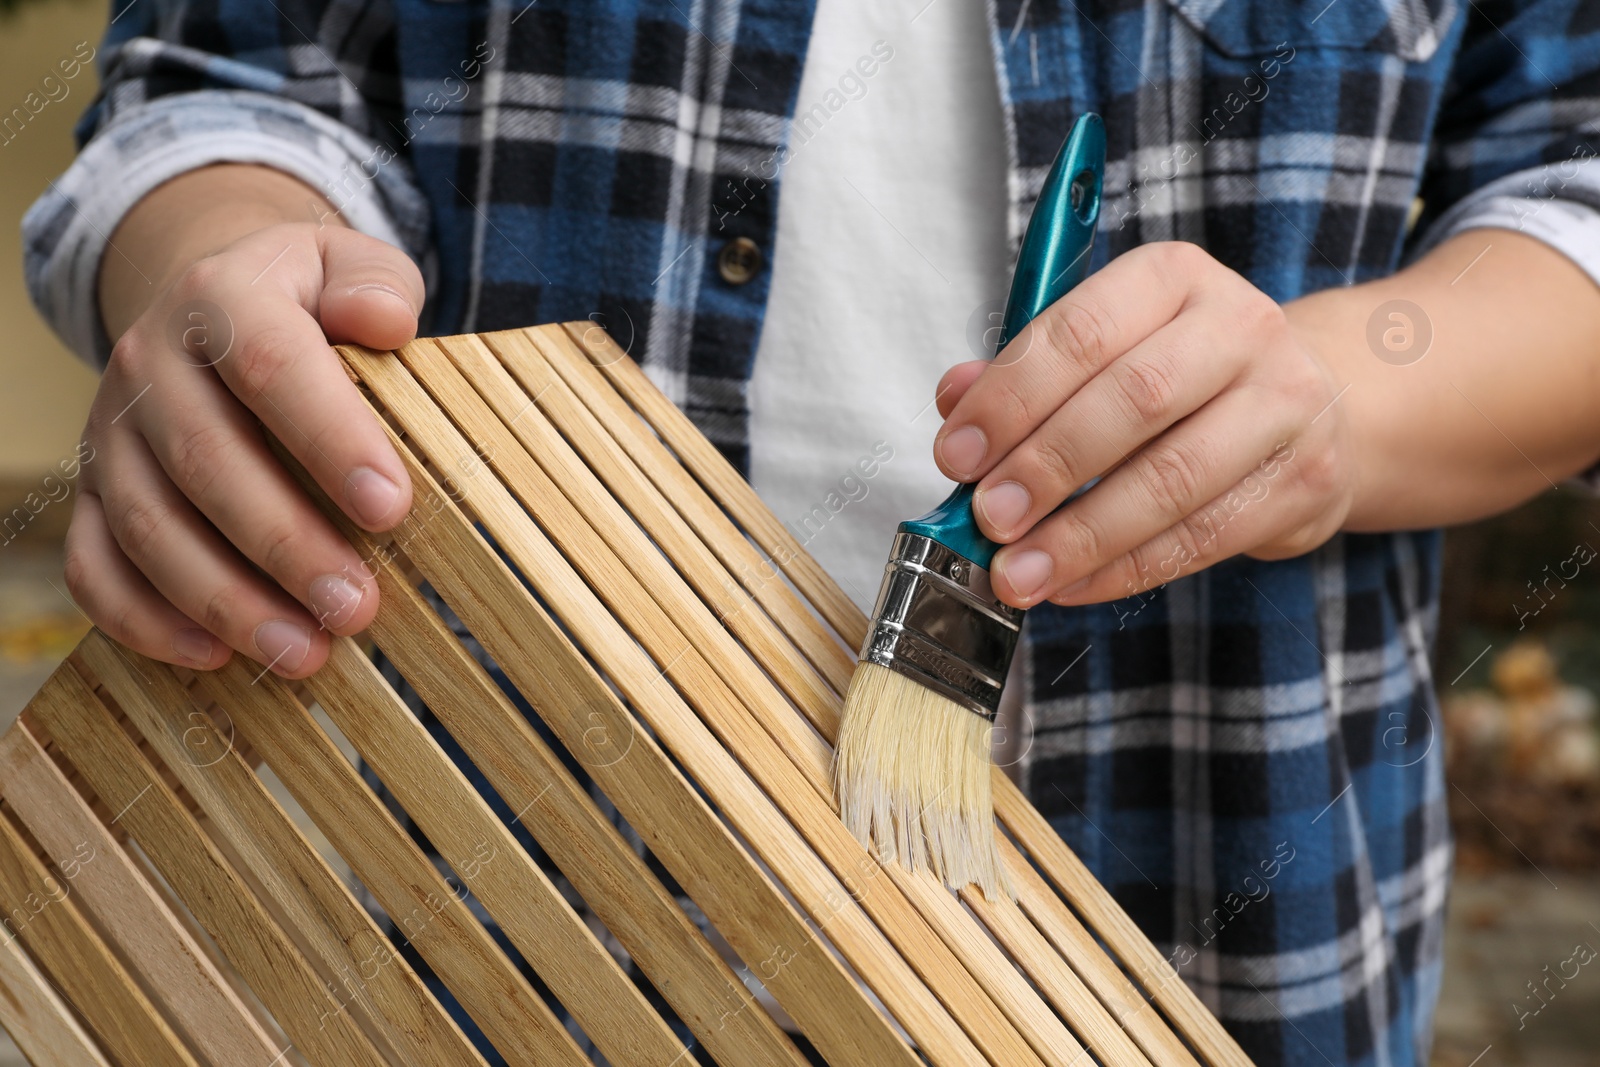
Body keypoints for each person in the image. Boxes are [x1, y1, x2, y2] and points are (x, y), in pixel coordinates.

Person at [24, 1, 1600, 1063]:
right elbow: (223, 76)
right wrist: (217, 264)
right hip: (458, 898)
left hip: (1198, 946)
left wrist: (1335, 397)